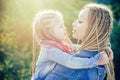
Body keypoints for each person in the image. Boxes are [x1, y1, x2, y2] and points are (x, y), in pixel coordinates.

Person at [31, 10, 110, 80]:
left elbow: (74, 47)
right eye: (60, 26)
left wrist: (100, 48)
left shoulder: (55, 45)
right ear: (48, 33)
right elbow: (71, 62)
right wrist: (96, 61)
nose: (65, 28)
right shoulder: (50, 50)